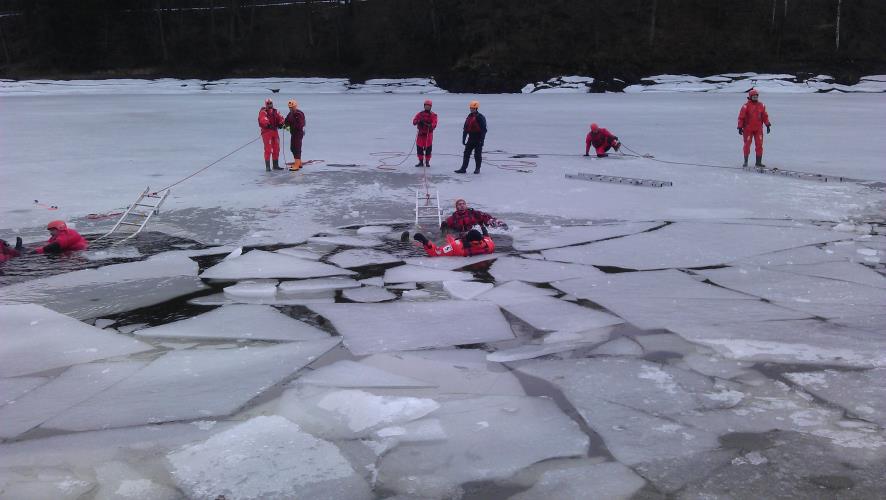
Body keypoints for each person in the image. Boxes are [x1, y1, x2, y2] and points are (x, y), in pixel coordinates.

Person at [737, 88, 772, 168]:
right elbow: (741, 117)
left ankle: (758, 162)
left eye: (756, 96)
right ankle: (745, 162)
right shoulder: (745, 106)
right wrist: (740, 127)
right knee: (747, 145)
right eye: (754, 97)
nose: (755, 98)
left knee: (759, 145)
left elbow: (764, 116)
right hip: (748, 129)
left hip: (758, 129)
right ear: (750, 97)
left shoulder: (761, 105)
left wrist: (767, 124)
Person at [412, 226, 495, 257]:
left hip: (453, 247)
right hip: (465, 247)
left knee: (440, 239)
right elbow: (487, 238)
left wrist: (425, 241)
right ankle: (445, 232)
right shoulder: (489, 244)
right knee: (449, 237)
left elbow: (436, 252)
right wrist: (484, 231)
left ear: (468, 239)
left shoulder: (457, 246)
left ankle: (410, 241)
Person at [440, 198, 507, 236]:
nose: (462, 205)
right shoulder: (453, 218)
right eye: (459, 204)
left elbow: (486, 217)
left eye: (463, 204)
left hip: (476, 234)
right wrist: (444, 225)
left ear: (466, 205)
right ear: (456, 207)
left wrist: (497, 223)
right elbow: (444, 228)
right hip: (461, 236)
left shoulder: (473, 213)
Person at [455, 100, 487, 174]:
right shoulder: (469, 116)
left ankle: (477, 169)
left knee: (477, 154)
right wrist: (464, 138)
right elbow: (466, 128)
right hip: (471, 138)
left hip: (478, 138)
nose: (471, 109)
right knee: (466, 153)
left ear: (476, 108)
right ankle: (463, 169)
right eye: (471, 108)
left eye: (473, 108)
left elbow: (484, 130)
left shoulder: (480, 117)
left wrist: (482, 140)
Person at [258, 98, 285, 171]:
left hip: (274, 132)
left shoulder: (275, 111)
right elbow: (263, 119)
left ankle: (275, 165)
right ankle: (268, 167)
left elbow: (281, 118)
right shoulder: (263, 112)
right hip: (267, 133)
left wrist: (281, 123)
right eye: (268, 103)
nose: (270, 105)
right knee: (268, 149)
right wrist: (267, 124)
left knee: (276, 148)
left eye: (271, 103)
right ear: (266, 104)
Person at [412, 99, 438, 168]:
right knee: (419, 149)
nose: (427, 107)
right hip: (420, 135)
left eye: (428, 106)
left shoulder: (433, 115)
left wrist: (430, 125)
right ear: (424, 106)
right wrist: (418, 121)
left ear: (431, 107)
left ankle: (427, 162)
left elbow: (434, 123)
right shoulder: (420, 114)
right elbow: (414, 122)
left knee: (428, 149)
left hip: (428, 135)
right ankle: (420, 162)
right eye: (426, 105)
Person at [283, 99, 306, 171]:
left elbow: (300, 124)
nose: (291, 109)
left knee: (296, 148)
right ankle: (299, 162)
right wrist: (284, 125)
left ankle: (297, 164)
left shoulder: (299, 114)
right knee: (292, 148)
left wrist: (290, 125)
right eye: (289, 107)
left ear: (295, 106)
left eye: (292, 107)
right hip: (293, 133)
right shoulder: (290, 114)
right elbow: (286, 121)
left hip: (298, 133)